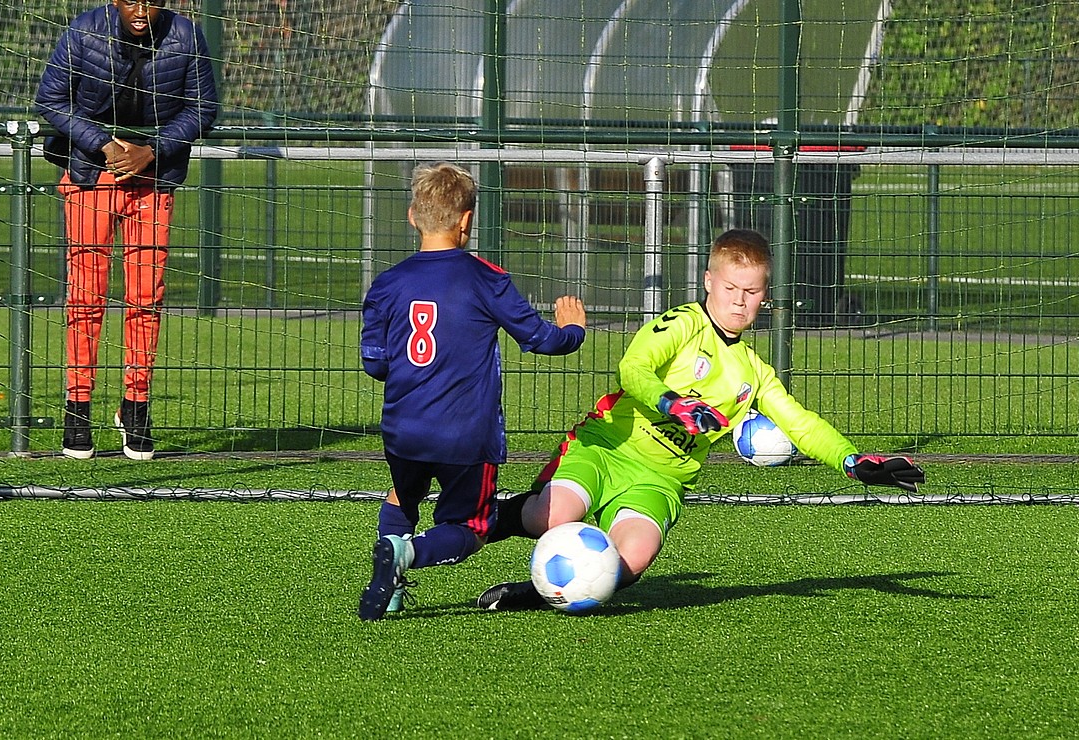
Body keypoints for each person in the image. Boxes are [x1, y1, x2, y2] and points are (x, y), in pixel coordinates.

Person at [477, 228, 925, 611]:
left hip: (661, 480)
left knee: (629, 560)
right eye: (730, 288)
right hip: (607, 448)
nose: (738, 301)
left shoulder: (753, 371)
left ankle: (538, 593)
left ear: (764, 297)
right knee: (550, 517)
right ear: (709, 281)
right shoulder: (683, 324)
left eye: (750, 293)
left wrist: (850, 461)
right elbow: (632, 369)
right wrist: (672, 403)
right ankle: (469, 523)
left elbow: (799, 422)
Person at [357, 162, 588, 621]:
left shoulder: (386, 284)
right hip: (466, 435)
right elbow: (540, 340)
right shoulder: (486, 278)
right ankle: (407, 557)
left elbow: (375, 363)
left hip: (404, 430)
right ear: (465, 222)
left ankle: (393, 586)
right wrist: (573, 330)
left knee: (402, 496)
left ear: (412, 216)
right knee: (470, 527)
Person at [35, 0, 219, 460]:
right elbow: (50, 101)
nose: (140, 9)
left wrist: (151, 150)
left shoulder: (186, 36)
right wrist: (102, 145)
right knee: (86, 296)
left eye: (150, 1)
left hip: (154, 181)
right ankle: (77, 407)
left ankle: (135, 405)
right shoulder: (82, 30)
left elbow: (203, 108)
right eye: (130, 0)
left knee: (146, 295)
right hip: (89, 177)